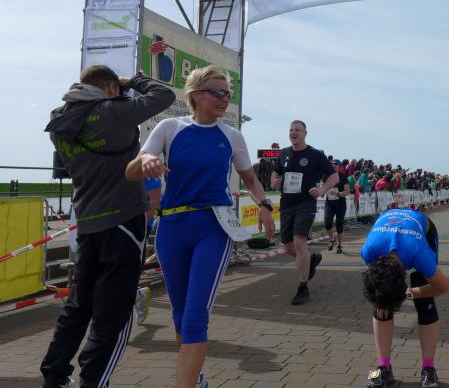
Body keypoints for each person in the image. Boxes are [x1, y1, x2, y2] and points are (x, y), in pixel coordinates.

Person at [127, 65, 275, 388]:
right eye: (217, 92)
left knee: (195, 316)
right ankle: (196, 378)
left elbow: (250, 180)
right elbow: (131, 172)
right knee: (180, 314)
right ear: (195, 95)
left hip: (213, 227)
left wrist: (265, 206)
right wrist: (145, 160)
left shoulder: (232, 136)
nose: (224, 99)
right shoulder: (169, 127)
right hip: (171, 228)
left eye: (228, 94)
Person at [41, 65, 174, 388]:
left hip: (87, 223)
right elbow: (164, 95)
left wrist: (117, 90)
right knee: (113, 314)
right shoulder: (112, 112)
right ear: (111, 88)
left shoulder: (59, 120)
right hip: (123, 221)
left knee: (78, 306)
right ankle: (94, 381)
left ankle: (54, 377)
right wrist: (133, 81)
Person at [361, 207, 449, 388]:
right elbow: (378, 286)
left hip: (422, 231)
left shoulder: (419, 253)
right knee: (381, 306)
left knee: (425, 303)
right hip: (387, 231)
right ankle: (383, 367)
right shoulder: (369, 251)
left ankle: (428, 368)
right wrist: (383, 302)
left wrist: (412, 292)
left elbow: (442, 287)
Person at [271, 120, 339, 305]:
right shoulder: (284, 153)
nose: (293, 133)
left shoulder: (315, 154)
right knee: (288, 247)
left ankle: (303, 288)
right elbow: (275, 173)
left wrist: (322, 189)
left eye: (297, 130)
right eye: (291, 130)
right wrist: (274, 181)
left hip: (306, 203)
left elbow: (334, 177)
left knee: (299, 241)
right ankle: (311, 258)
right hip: (287, 203)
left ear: (305, 133)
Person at [134, 177, 163, 326]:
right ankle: (138, 295)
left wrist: (136, 225)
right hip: (108, 226)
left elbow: (154, 201)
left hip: (137, 227)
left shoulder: (146, 167)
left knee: (123, 273)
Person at [325, 158, 351, 254]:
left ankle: (339, 245)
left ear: (339, 167)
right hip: (329, 204)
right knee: (327, 224)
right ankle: (332, 239)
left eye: (335, 164)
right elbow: (322, 187)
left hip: (340, 204)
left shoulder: (343, 177)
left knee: (339, 226)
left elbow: (347, 191)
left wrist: (338, 193)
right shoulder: (326, 176)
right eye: (332, 164)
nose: (333, 166)